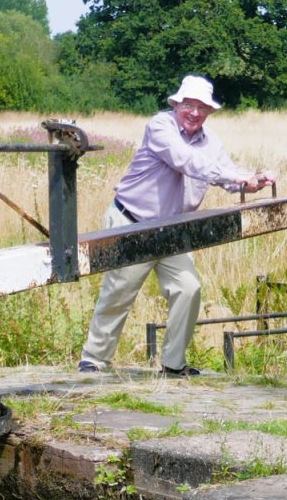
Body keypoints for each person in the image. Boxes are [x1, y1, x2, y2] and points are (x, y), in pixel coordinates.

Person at [78, 74, 275, 376]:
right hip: (133, 222)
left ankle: (173, 364)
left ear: (209, 112)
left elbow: (228, 174)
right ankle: (93, 361)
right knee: (119, 293)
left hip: (172, 231)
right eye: (189, 105)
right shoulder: (160, 126)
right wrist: (234, 176)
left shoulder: (211, 142)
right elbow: (186, 160)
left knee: (188, 288)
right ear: (177, 104)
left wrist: (252, 181)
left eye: (202, 107)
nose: (194, 113)